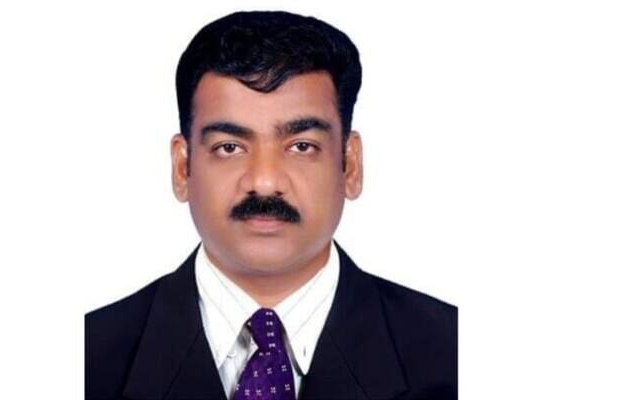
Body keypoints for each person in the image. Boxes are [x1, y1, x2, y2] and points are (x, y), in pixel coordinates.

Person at [86, 10, 457, 400]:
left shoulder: (455, 356)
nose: (264, 181)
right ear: (182, 167)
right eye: (229, 148)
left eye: (301, 146)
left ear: (350, 165)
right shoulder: (86, 360)